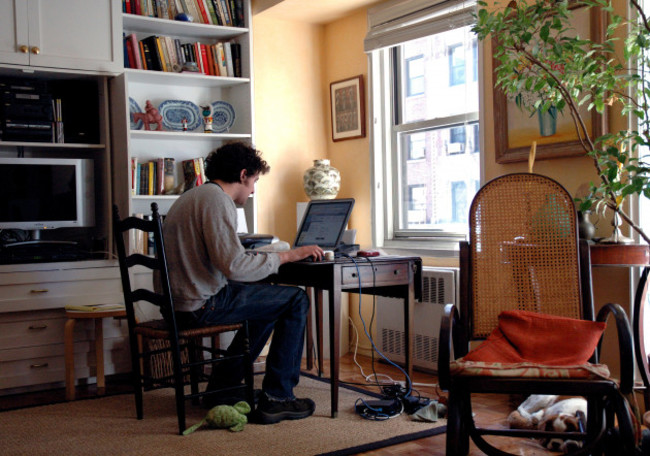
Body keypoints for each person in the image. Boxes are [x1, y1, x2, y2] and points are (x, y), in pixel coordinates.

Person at [159, 141, 323, 425]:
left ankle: (222, 389)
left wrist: (266, 257)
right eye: (255, 181)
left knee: (269, 301)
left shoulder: (194, 196)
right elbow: (233, 266)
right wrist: (289, 255)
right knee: (296, 299)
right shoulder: (217, 200)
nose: (254, 189)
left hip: (179, 304)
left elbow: (227, 258)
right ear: (244, 174)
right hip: (199, 305)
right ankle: (278, 398)